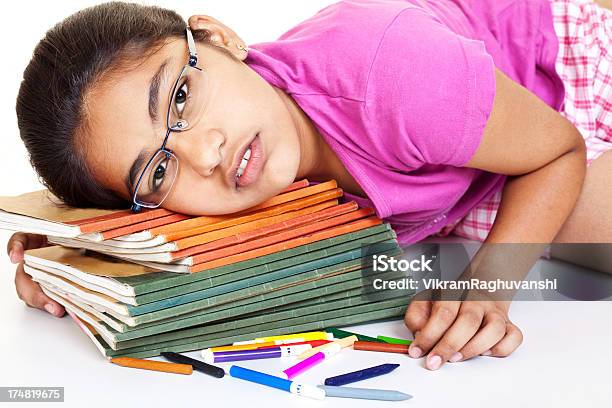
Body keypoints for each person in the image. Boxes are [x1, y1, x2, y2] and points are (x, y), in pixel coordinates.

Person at [7, 0, 612, 371]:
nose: (204, 152)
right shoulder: (237, 169)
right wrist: (68, 258)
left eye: (182, 97)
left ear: (218, 39)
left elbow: (559, 149)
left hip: (551, 79)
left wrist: (489, 286)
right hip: (462, 173)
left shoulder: (391, 75)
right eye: (159, 169)